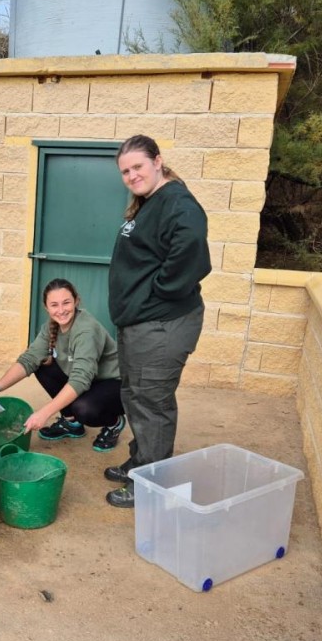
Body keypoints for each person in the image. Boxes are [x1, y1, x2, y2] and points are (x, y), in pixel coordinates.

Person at [104, 134, 212, 508]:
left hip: (162, 325)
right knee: (135, 395)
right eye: (125, 171)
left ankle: (152, 481)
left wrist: (155, 293)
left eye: (138, 167)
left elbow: (190, 253)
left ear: (157, 162)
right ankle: (141, 462)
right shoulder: (150, 202)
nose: (132, 175)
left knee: (152, 402)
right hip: (141, 323)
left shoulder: (178, 204)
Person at [0, 278, 125, 452]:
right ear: (46, 307)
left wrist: (44, 413)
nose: (61, 310)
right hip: (89, 380)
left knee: (84, 409)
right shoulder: (51, 326)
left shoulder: (86, 330)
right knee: (42, 364)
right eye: (54, 305)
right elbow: (29, 359)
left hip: (114, 384)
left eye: (66, 303)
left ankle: (114, 423)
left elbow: (80, 379)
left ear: (76, 301)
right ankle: (71, 423)